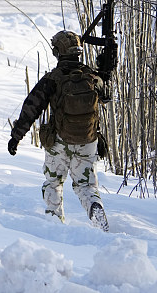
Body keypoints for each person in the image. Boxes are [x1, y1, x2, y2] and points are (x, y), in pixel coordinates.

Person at [8, 30, 109, 231]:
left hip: (59, 142)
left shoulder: (52, 79)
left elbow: (31, 108)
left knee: (53, 183)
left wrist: (16, 136)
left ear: (57, 52)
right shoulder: (93, 77)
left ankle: (55, 223)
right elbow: (106, 96)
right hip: (88, 141)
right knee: (86, 186)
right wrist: (104, 68)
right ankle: (95, 207)